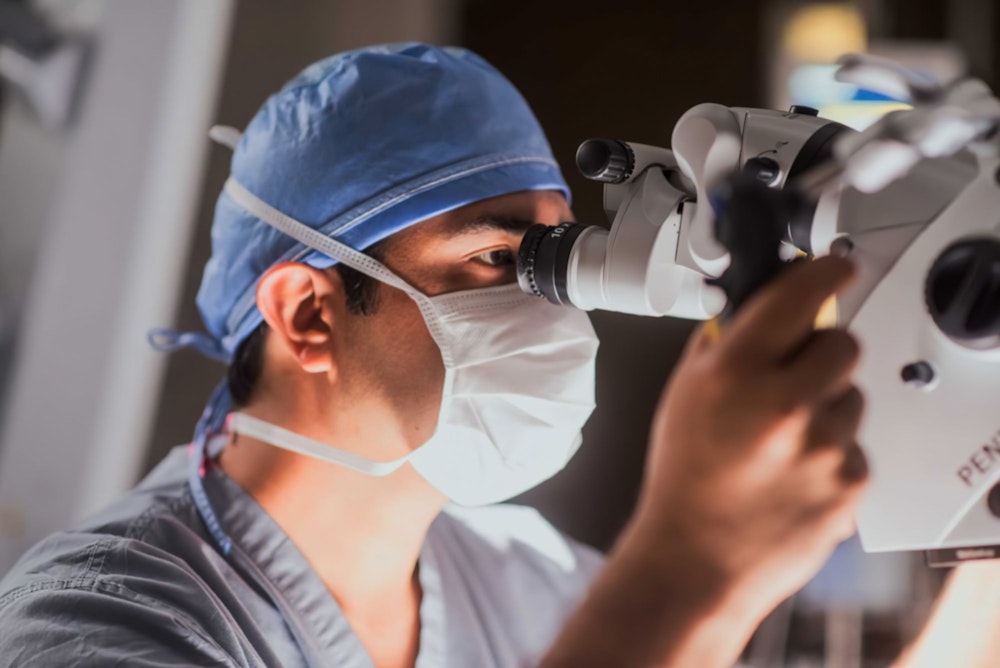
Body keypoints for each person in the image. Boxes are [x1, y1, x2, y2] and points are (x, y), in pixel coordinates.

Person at [0, 43, 870, 667]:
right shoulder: (104, 623)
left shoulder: (525, 575)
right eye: (500, 259)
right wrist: (688, 562)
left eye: (561, 257)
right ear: (308, 313)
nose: (554, 308)